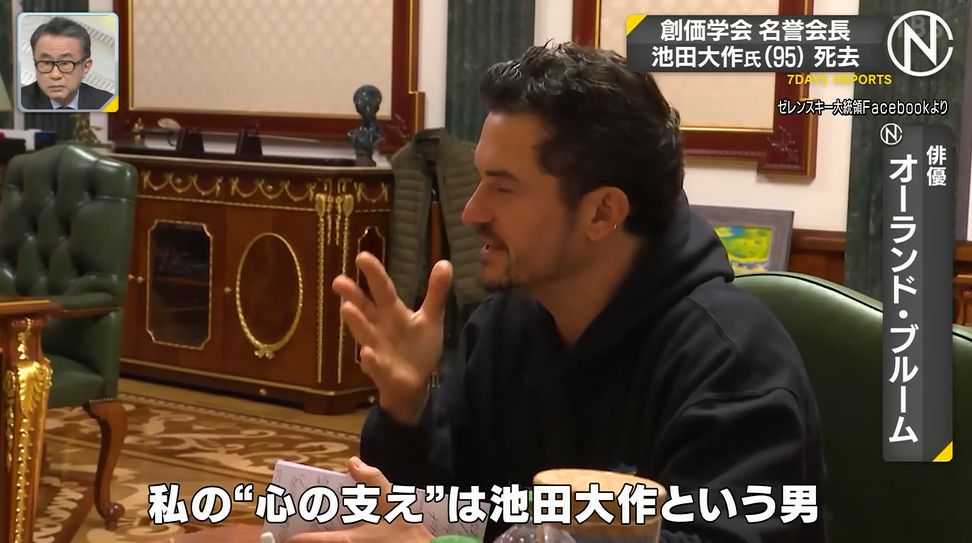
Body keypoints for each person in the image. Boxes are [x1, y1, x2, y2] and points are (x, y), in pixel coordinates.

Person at [296, 42, 828, 543]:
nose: (472, 211)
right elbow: (449, 511)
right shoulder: (507, 324)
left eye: (503, 187)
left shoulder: (732, 364)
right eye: (479, 180)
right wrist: (407, 408)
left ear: (602, 212)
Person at [20, 16, 113, 111]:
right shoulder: (18, 102)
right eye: (47, 63)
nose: (55, 75)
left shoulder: (108, 104)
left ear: (86, 66)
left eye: (65, 63)